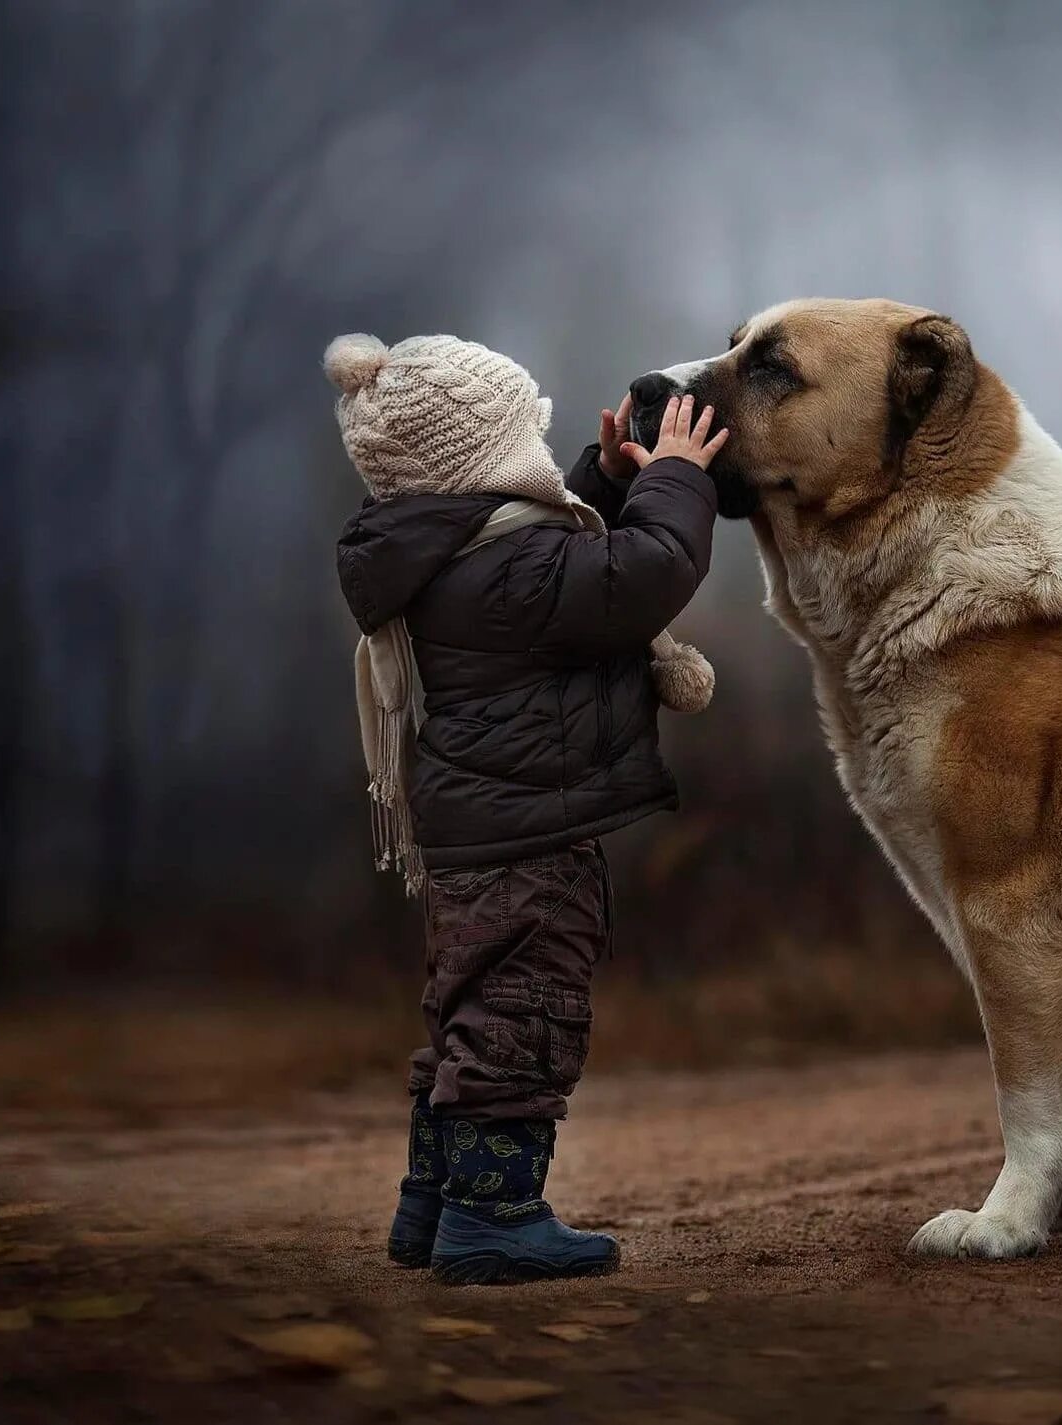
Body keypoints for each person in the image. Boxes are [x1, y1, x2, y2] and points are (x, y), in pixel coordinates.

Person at [326, 332, 724, 1282]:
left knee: (470, 1014)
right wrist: (676, 478)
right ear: (483, 459)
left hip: (478, 833)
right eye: (526, 436)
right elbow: (646, 571)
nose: (542, 456)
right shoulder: (507, 574)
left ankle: (432, 1206)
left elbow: (564, 557)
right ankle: (494, 1219)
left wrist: (611, 478)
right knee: (522, 1017)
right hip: (527, 841)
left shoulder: (454, 553)